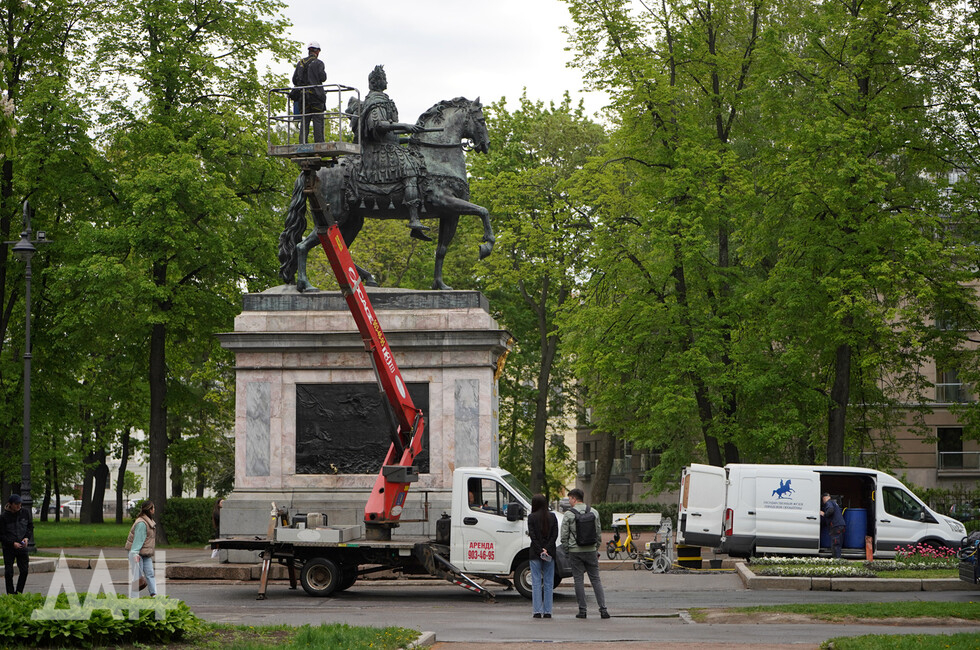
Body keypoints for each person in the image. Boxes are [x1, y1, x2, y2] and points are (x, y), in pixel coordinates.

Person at [356, 65, 430, 241]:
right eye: (384, 78)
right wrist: (404, 126)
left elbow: (391, 135)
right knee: (410, 168)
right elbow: (379, 126)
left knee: (415, 159)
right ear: (378, 81)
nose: (386, 81)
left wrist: (410, 139)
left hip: (389, 146)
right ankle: (414, 219)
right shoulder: (374, 102)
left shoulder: (384, 100)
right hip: (376, 150)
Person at [561, 488, 609, 619]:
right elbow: (598, 533)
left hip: (575, 551)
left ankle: (582, 610)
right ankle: (603, 609)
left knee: (578, 580)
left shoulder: (569, 514)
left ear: (574, 499)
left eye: (570, 498)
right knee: (596, 579)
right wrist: (595, 547)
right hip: (591, 550)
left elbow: (564, 535)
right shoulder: (594, 512)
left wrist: (568, 549)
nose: (569, 501)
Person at [527, 494, 558, 619]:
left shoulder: (531, 517)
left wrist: (540, 549)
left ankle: (537, 611)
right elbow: (554, 536)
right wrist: (547, 549)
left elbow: (533, 536)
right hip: (550, 553)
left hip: (535, 553)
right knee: (549, 582)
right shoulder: (552, 516)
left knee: (535, 582)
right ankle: (548, 611)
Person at [292, 41, 327, 144]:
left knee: (305, 120)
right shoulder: (318, 63)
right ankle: (319, 143)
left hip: (303, 97)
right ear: (317, 51)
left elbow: (294, 80)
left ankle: (302, 143)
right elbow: (323, 77)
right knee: (317, 119)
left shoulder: (300, 63)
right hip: (316, 97)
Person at [1, 494, 33, 594]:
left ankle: (19, 592)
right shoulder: (3, 517)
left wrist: (27, 537)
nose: (19, 506)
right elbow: (1, 535)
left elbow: (30, 526)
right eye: (16, 504)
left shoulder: (25, 513)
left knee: (24, 571)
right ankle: (10, 594)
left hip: (22, 546)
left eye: (20, 503)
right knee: (9, 572)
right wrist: (12, 543)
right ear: (10, 504)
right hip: (9, 547)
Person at [126, 500, 158, 596]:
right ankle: (134, 599)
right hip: (137, 554)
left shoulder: (149, 522)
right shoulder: (142, 524)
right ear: (150, 510)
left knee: (150, 574)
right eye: (153, 508)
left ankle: (154, 595)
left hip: (145, 553)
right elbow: (138, 541)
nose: (154, 509)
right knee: (137, 578)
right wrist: (135, 554)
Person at [821, 493, 846, 559]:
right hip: (840, 525)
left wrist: (824, 514)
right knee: (838, 543)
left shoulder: (828, 503)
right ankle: (838, 558)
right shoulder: (834, 503)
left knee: (835, 543)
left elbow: (830, 510)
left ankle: (837, 559)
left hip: (835, 525)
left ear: (824, 498)